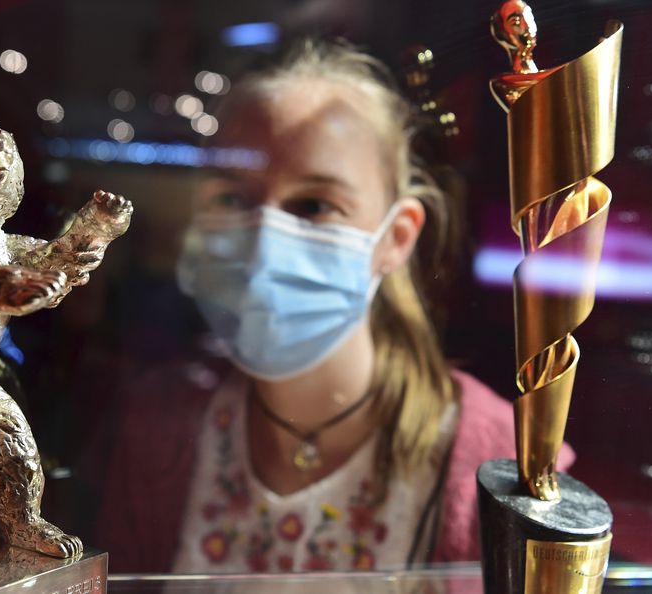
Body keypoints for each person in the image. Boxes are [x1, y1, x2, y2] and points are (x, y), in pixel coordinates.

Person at [92, 38, 573, 573]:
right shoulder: (158, 425)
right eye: (233, 197)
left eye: (315, 204)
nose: (264, 240)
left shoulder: (503, 458)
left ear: (397, 238)